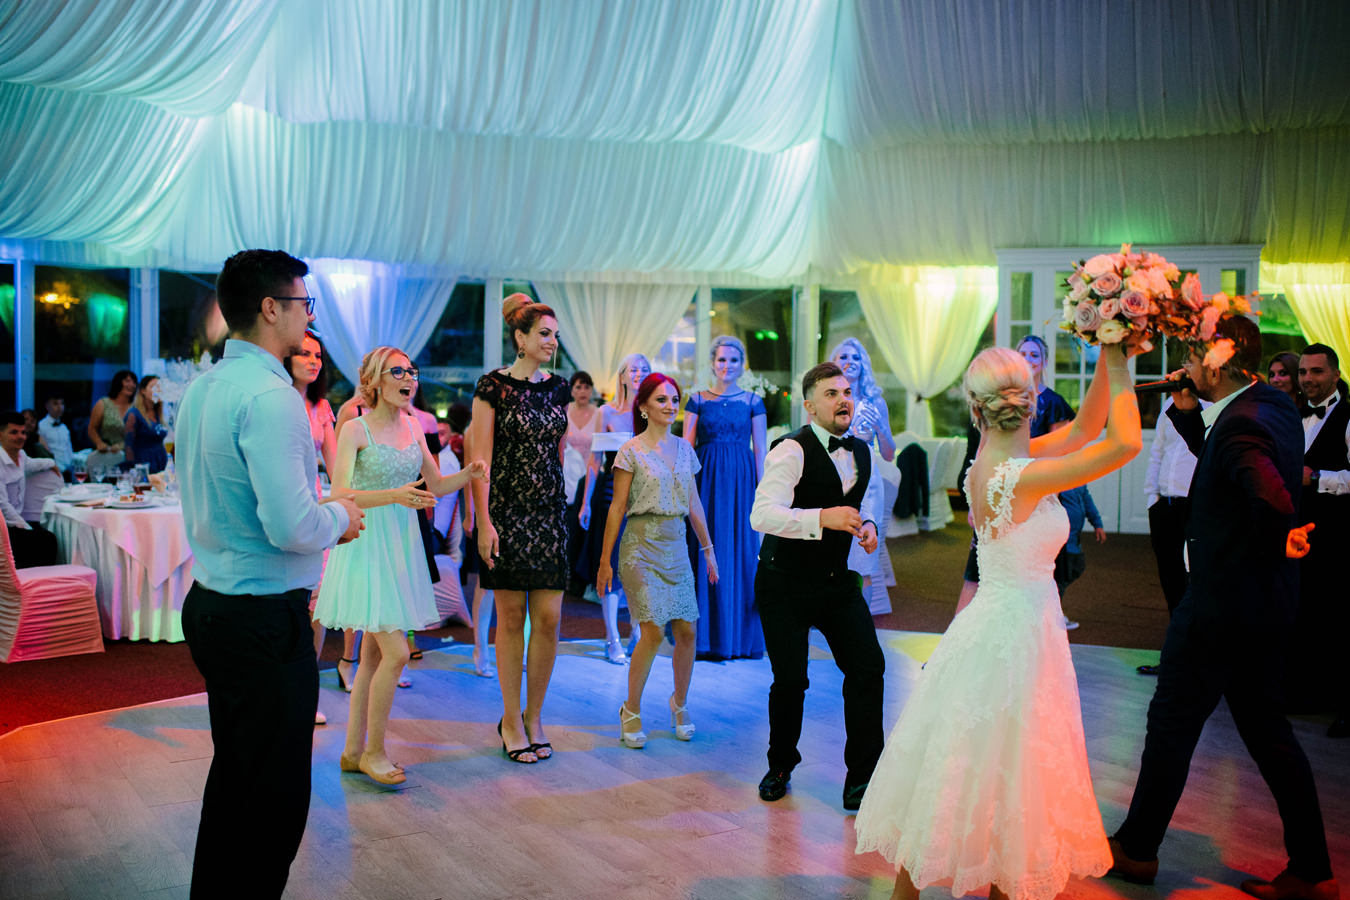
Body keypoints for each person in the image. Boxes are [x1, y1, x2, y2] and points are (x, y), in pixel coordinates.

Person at [855, 341, 1141, 900]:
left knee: (967, 768)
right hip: (1016, 638)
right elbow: (1124, 441)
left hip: (1001, 627)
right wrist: (1116, 359)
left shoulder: (996, 462)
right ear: (1032, 401)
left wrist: (1114, 340)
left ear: (976, 408)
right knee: (1009, 775)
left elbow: (1086, 428)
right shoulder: (1024, 476)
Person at [1108, 316, 1338, 900]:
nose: (1186, 364)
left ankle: (1136, 850)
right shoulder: (1272, 403)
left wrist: (1281, 534)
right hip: (1261, 605)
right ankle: (1312, 872)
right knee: (1268, 733)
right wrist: (1189, 414)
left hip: (1219, 608)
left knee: (1171, 722)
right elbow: (1228, 462)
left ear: (1220, 360)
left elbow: (1270, 496)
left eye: (1193, 354)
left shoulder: (1241, 425)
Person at [175, 249, 365, 898]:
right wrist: (341, 516)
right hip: (261, 618)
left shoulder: (204, 388)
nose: (309, 315)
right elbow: (291, 526)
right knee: (274, 802)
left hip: (212, 604)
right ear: (270, 309)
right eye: (304, 303)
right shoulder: (272, 397)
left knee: (235, 782)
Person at [314, 346, 484, 785]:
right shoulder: (354, 429)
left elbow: (436, 484)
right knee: (396, 652)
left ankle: (353, 752)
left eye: (412, 371)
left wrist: (469, 474)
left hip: (402, 548)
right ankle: (374, 751)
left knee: (373, 657)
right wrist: (394, 496)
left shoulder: (413, 426)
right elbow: (338, 494)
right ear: (374, 380)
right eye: (398, 371)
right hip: (368, 545)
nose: (409, 378)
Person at [749, 362, 885, 811]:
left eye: (846, 392)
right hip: (783, 583)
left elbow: (859, 501)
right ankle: (780, 765)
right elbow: (761, 515)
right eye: (831, 393)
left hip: (835, 582)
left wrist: (866, 524)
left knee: (868, 668)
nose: (843, 399)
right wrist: (822, 518)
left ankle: (862, 780)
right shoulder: (790, 449)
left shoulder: (861, 449)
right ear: (809, 406)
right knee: (791, 681)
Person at [469, 294, 572, 764]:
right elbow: (481, 462)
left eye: (555, 335)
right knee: (510, 619)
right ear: (521, 338)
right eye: (544, 334)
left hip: (549, 515)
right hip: (506, 514)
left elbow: (559, 454)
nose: (552, 342)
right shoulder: (492, 387)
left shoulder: (559, 388)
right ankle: (510, 719)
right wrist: (484, 522)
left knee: (549, 619)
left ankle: (535, 716)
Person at [598, 373, 717, 748]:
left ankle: (679, 704)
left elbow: (694, 504)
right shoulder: (630, 451)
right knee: (652, 631)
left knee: (687, 632)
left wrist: (709, 551)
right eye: (662, 399)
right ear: (644, 407)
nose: (670, 405)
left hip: (677, 547)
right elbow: (616, 508)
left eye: (674, 399)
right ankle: (630, 709)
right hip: (640, 547)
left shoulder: (685, 450)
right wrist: (604, 561)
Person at [955, 335, 1075, 617]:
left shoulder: (1052, 404)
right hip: (1012, 481)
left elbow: (1065, 445)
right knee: (981, 569)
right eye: (1023, 354)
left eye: (1034, 355)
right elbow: (981, 448)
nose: (1028, 360)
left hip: (1030, 482)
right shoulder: (997, 417)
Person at [682, 335, 767, 660]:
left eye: (733, 360)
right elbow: (687, 447)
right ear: (712, 363)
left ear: (742, 365)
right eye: (721, 359)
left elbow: (760, 449)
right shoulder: (697, 400)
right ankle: (704, 638)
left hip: (742, 483)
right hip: (706, 481)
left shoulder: (753, 401)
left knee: (742, 551)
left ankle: (739, 639)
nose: (727, 365)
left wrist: (763, 492)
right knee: (706, 546)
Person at [578, 353, 653, 665]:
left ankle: (635, 631)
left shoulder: (652, 410)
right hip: (612, 493)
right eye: (633, 369)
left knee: (640, 567)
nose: (638, 373)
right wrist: (585, 501)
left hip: (646, 494)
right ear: (622, 375)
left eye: (644, 369)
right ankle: (611, 637)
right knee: (611, 564)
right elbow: (594, 461)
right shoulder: (606, 412)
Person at [285, 330, 343, 723]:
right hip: (283, 508)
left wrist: (349, 508)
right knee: (286, 604)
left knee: (317, 607)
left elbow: (339, 471)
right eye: (304, 353)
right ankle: (280, 690)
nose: (313, 361)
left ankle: (306, 693)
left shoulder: (321, 407)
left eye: (318, 355)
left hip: (316, 508)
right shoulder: (276, 400)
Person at [1294, 343, 1349, 737]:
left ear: (1335, 374)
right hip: (1300, 534)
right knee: (1308, 611)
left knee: (1340, 617)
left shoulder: (1347, 416)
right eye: (1303, 372)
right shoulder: (1293, 415)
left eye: (1316, 371)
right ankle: (1310, 693)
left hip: (1340, 535)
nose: (1307, 379)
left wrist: (1316, 478)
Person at [1138, 393, 1204, 675]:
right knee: (1170, 580)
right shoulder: (1169, 404)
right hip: (1164, 504)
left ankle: (1198, 662)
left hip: (1196, 506)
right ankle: (1175, 658)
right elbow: (1158, 451)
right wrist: (1152, 498)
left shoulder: (1217, 405)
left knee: (1197, 585)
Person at [830, 338, 896, 610]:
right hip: (833, 478)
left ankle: (860, 623)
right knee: (830, 555)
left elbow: (889, 454)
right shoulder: (826, 400)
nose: (850, 362)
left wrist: (880, 427)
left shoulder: (875, 402)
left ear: (864, 364)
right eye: (844, 356)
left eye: (856, 357)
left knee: (862, 561)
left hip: (867, 484)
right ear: (834, 363)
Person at [0, 411, 61, 568]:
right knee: (46, 541)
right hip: (4, 528)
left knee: (51, 538)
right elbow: (3, 506)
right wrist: (26, 527)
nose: (21, 437)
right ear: (0, 435)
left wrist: (51, 463)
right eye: (14, 432)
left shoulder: (21, 455)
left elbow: (32, 464)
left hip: (16, 524)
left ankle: (40, 579)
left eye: (23, 432)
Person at [1054, 483, 1105, 614]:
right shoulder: (1057, 481)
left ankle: (1054, 611)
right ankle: (1054, 614)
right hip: (1061, 539)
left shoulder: (1079, 482)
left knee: (1076, 568)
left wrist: (1097, 524)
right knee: (1061, 577)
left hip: (1074, 538)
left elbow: (1087, 500)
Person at [87, 369, 136, 474]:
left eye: (134, 382)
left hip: (131, 458)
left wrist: (123, 446)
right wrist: (99, 443)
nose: (132, 385)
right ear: (118, 382)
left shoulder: (136, 407)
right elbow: (92, 428)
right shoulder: (104, 403)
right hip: (107, 456)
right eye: (127, 381)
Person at [124, 375, 169, 473]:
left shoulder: (158, 414)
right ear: (143, 391)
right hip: (143, 464)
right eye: (153, 387)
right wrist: (133, 470)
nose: (158, 390)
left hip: (161, 462)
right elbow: (128, 446)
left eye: (160, 387)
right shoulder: (133, 414)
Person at [37, 396, 74, 474]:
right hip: (52, 471)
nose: (60, 407)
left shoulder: (64, 427)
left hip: (68, 470)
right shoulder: (41, 426)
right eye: (55, 404)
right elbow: (43, 453)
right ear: (47, 406)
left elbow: (69, 450)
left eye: (62, 403)